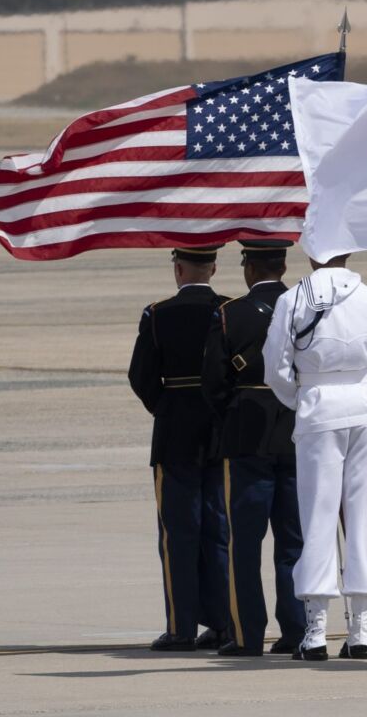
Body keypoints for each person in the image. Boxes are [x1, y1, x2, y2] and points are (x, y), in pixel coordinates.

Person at [263, 252, 367, 662]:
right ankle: (362, 627)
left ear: (313, 255)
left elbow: (274, 368)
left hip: (318, 406)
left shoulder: (294, 299)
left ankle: (316, 630)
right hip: (365, 407)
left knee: (316, 516)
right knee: (362, 515)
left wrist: (301, 399)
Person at [201, 239, 305, 656]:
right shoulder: (305, 308)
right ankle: (298, 631)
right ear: (282, 265)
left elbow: (213, 383)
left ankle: (246, 634)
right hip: (297, 433)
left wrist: (236, 413)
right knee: (293, 541)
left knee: (245, 543)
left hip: (247, 436)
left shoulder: (230, 315)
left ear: (248, 267)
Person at [126, 244, 232, 652]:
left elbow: (141, 376)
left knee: (178, 533)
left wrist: (167, 407)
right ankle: (223, 623)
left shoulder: (159, 314)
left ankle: (182, 627)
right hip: (220, 433)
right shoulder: (227, 310)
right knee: (218, 530)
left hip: (175, 434)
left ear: (178, 268)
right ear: (215, 268)